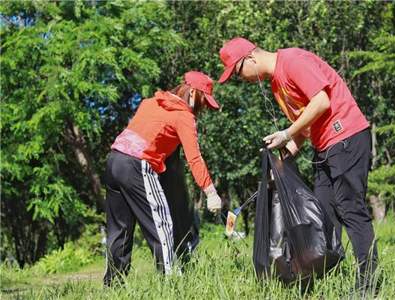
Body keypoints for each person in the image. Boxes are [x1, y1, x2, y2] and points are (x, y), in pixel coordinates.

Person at [218, 37, 378, 292]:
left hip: (346, 136)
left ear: (249, 58)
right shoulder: (276, 85)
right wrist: (280, 164)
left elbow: (322, 102)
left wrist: (286, 133)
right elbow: (304, 129)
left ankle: (369, 284)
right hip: (325, 147)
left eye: (238, 73)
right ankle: (321, 285)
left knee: (351, 210)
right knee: (322, 214)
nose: (242, 79)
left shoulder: (292, 61)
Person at [103, 71, 222, 286]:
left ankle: (113, 287)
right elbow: (194, 158)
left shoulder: (150, 102)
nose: (204, 108)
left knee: (119, 229)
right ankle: (172, 285)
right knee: (162, 225)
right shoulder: (184, 116)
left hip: (113, 160)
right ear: (193, 93)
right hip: (136, 164)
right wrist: (210, 192)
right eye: (204, 101)